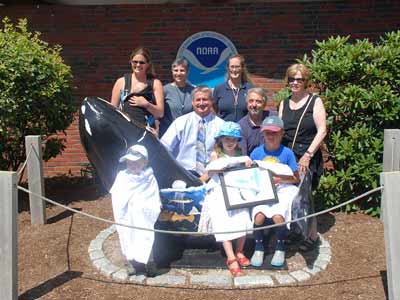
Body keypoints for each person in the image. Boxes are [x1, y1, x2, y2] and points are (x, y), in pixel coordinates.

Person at [278, 63, 327, 251]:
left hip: (307, 155)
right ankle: (295, 230)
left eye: (299, 79)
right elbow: (281, 131)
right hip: (288, 156)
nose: (295, 82)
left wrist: (307, 155)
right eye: (292, 79)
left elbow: (322, 130)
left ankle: (312, 236)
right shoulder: (284, 103)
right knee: (289, 195)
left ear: (306, 81)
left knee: (304, 196)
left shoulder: (315, 101)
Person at [202, 122, 252, 277]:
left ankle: (239, 250)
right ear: (221, 140)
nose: (230, 142)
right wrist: (215, 168)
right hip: (219, 192)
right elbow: (208, 174)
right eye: (227, 139)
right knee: (224, 223)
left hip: (237, 191)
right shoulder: (215, 155)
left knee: (242, 220)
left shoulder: (240, 154)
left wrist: (248, 164)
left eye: (234, 139)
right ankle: (230, 257)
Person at [249, 116, 300, 267]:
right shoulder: (257, 152)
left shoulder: (287, 153)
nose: (270, 136)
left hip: (283, 189)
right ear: (262, 134)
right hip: (263, 189)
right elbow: (250, 175)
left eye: (274, 133)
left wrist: (280, 179)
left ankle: (280, 246)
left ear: (281, 133)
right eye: (267, 133)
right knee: (258, 216)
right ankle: (258, 247)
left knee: (278, 216)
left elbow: (295, 178)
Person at [110, 144, 161, 276]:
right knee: (127, 236)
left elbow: (154, 195)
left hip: (143, 215)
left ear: (144, 162)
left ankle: (150, 262)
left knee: (146, 236)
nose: (132, 165)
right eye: (129, 162)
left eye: (136, 162)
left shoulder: (149, 177)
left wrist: (149, 207)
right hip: (127, 215)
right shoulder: (122, 177)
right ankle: (129, 262)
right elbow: (117, 196)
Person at [161, 85, 224, 177]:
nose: (201, 103)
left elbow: (226, 152)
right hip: (184, 174)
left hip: (212, 175)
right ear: (192, 102)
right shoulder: (180, 123)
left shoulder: (221, 125)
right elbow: (164, 148)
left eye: (205, 99)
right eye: (198, 100)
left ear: (212, 101)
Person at [111, 47, 164, 128]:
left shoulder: (155, 83)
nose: (138, 65)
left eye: (142, 62)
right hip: (125, 130)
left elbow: (160, 113)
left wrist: (146, 104)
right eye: (135, 62)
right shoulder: (121, 82)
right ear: (130, 62)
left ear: (148, 64)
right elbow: (112, 111)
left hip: (146, 131)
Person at [159, 58, 195, 136]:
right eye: (175, 70)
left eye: (182, 70)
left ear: (187, 72)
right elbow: (158, 114)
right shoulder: (164, 90)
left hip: (187, 134)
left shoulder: (193, 91)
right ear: (172, 72)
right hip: (168, 133)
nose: (178, 73)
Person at [213, 54, 254, 122]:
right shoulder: (219, 89)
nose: (234, 70)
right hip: (224, 130)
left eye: (237, 67)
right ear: (228, 68)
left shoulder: (250, 88)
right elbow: (214, 109)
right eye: (232, 67)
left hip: (244, 130)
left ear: (242, 68)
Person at [239, 87, 274, 156]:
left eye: (258, 101)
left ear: (264, 105)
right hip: (251, 164)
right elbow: (243, 155)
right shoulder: (241, 126)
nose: (254, 105)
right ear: (247, 104)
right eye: (251, 101)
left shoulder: (273, 118)